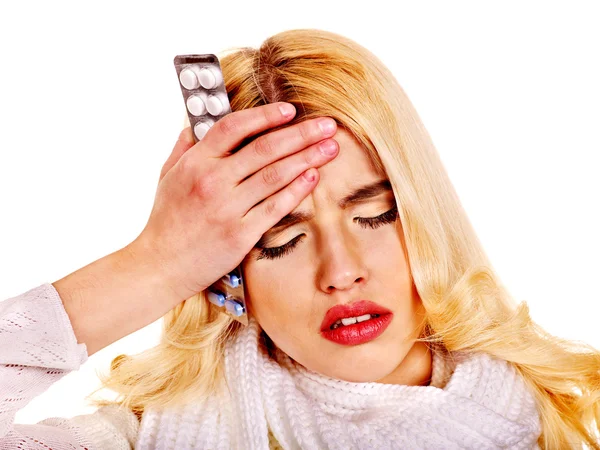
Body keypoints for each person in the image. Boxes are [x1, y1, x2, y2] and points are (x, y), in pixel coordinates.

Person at [1, 28, 599, 450]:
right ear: (228, 275)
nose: (341, 271)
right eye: (281, 240)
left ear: (426, 213)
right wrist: (155, 266)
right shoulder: (148, 440)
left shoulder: (565, 422)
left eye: (377, 215)